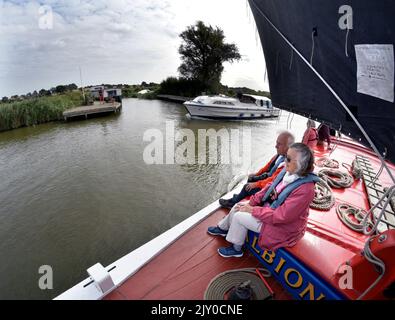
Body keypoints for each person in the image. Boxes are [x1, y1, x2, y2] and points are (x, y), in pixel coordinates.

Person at [208, 143, 318, 258]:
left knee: (238, 216)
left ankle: (236, 249)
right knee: (238, 206)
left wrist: (253, 210)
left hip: (283, 226)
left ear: (302, 164)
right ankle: (223, 228)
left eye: (289, 159)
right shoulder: (288, 172)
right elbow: (269, 188)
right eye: (286, 156)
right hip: (268, 211)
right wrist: (251, 203)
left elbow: (281, 217)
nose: (285, 161)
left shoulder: (305, 190)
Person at [219, 131, 295, 209]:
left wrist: (256, 184)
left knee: (246, 187)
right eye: (276, 143)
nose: (276, 146)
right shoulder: (278, 155)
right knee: (251, 178)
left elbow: (273, 181)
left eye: (279, 144)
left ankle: (233, 202)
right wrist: (256, 174)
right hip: (267, 178)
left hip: (269, 186)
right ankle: (243, 196)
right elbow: (267, 166)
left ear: (288, 147)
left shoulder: (286, 164)